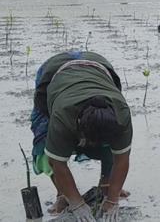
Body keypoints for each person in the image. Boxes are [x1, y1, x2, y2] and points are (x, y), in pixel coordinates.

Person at [29, 51, 132, 221]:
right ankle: (62, 193)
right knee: (43, 145)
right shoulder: (62, 117)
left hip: (98, 66)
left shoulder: (121, 115)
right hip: (53, 73)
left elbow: (122, 158)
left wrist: (112, 199)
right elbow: (56, 162)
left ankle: (106, 185)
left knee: (108, 146)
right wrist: (77, 203)